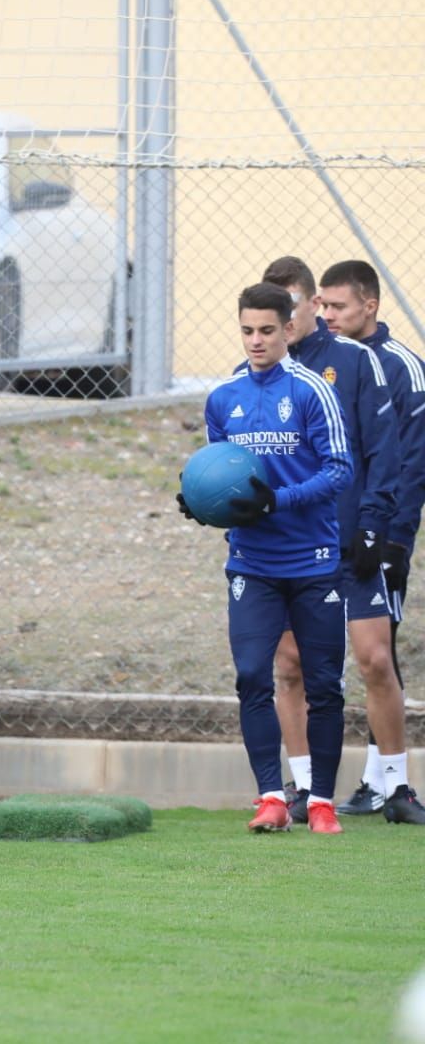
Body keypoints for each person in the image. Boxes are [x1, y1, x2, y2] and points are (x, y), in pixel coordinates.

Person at [178, 282, 351, 834]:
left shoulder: (310, 391)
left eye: (267, 331)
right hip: (251, 564)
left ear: (288, 329)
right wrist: (202, 505)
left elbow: (340, 470)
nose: (257, 340)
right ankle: (270, 797)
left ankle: (321, 802)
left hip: (313, 561)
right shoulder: (222, 397)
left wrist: (280, 499)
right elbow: (219, 473)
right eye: (248, 330)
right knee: (253, 676)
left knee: (323, 683)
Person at [251, 257, 405, 825]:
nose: (280, 323)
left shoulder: (355, 362)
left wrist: (373, 524)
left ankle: (397, 786)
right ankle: (305, 789)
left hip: (350, 543)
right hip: (290, 548)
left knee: (373, 658)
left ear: (310, 304)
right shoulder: (259, 378)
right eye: (269, 316)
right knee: (289, 666)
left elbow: (384, 454)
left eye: (289, 309)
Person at [313, 259, 425, 822]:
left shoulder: (402, 365)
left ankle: (394, 784)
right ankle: (373, 779)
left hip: (385, 536)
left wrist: (397, 538)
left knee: (380, 652)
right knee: (354, 655)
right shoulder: (329, 362)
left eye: (337, 306)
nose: (326, 315)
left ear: (370, 306)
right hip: (340, 534)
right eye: (322, 306)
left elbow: (409, 461)